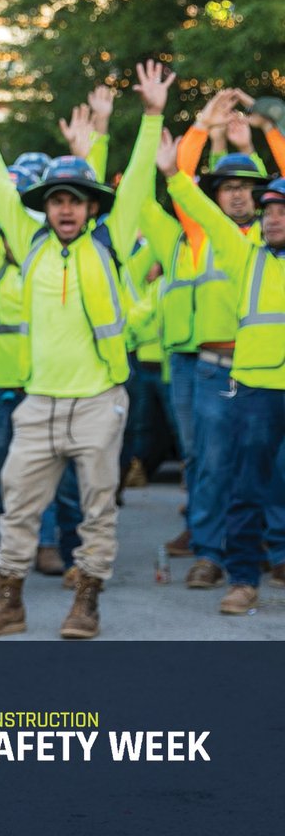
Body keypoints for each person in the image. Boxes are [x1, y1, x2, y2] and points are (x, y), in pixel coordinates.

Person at [0, 61, 171, 639]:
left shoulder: (110, 243)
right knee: (17, 508)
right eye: (56, 199)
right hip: (38, 402)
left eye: (77, 199)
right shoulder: (27, 242)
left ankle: (87, 604)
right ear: (46, 207)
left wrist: (153, 115)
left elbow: (133, 179)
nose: (66, 208)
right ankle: (10, 602)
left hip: (97, 402)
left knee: (97, 510)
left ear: (92, 207)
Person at [139, 87, 285, 587]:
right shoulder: (207, 235)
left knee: (272, 467)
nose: (238, 194)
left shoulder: (271, 237)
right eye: (226, 187)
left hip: (267, 375)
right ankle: (210, 553)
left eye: (249, 187)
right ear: (215, 196)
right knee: (211, 465)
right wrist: (201, 127)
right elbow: (179, 185)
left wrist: (269, 130)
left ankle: (274, 550)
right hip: (212, 370)